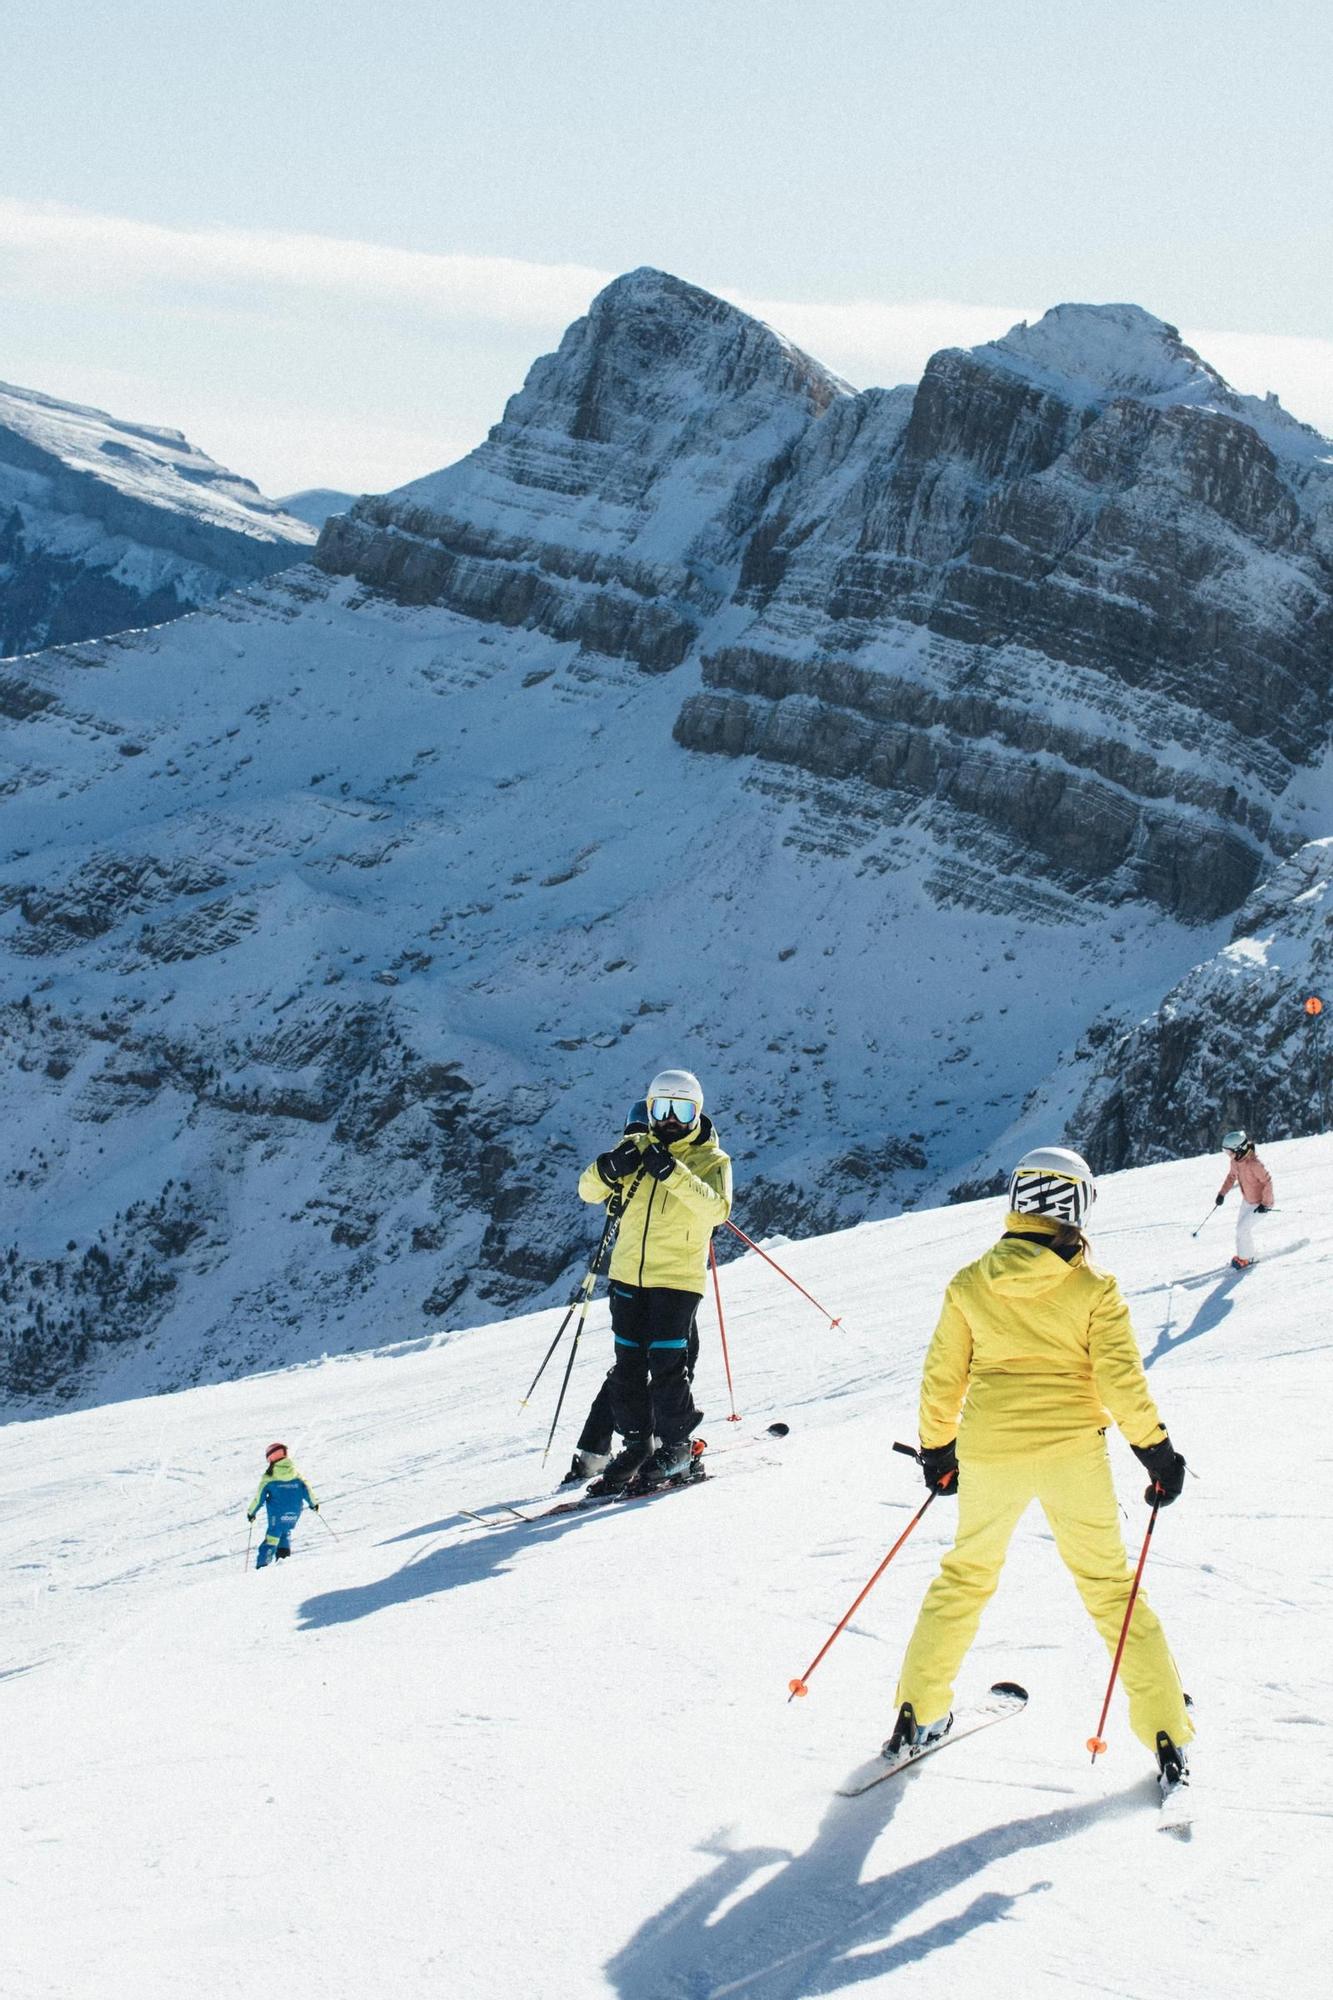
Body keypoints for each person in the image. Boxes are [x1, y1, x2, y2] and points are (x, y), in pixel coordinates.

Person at [888, 1146, 1193, 1793]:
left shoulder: (969, 1282)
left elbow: (942, 1377)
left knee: (964, 1577)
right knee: (1111, 1591)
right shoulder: (1092, 1288)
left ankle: (917, 1711)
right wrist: (1155, 1454)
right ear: (1075, 1209)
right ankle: (1165, 1730)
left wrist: (937, 1452)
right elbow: (1120, 1381)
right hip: (1071, 1456)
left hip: (989, 1450)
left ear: (1018, 1203)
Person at [575, 1068, 732, 1493]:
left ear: (696, 1112)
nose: (670, 1119)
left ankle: (678, 1445)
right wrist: (609, 1167)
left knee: (667, 1364)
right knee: (627, 1368)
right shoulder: (635, 1149)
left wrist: (673, 1172)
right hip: (628, 1276)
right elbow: (588, 1191)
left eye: (682, 1110)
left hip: (677, 1279)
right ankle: (637, 1444)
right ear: (649, 1108)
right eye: (661, 1108)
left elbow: (717, 1210)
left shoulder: (712, 1161)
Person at [560, 1100, 702, 1486]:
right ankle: (653, 1444)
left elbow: (708, 1204)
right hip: (637, 1277)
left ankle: (615, 1449)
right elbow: (595, 1190)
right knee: (650, 1362)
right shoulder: (635, 1161)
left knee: (645, 1363)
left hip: (667, 1278)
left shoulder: (694, 1155)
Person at [247, 1442, 319, 1568]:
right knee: (285, 1532)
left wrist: (251, 1512)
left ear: (271, 1457)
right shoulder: (296, 1474)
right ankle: (283, 1561)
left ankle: (262, 1566)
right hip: (294, 1513)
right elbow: (307, 1490)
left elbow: (259, 1498)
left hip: (277, 1514)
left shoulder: (269, 1477)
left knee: (273, 1537)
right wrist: (314, 1504)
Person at [1214, 1129, 1274, 1270]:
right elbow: (1231, 1177)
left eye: (1229, 1152)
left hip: (1261, 1203)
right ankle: (1246, 1255)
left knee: (1243, 1229)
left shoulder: (1254, 1164)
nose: (1228, 1155)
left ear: (1239, 1149)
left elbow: (1267, 1182)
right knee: (1240, 1229)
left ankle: (1247, 1259)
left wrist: (1265, 1204)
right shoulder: (1236, 1161)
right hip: (1248, 1200)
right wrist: (1222, 1194)